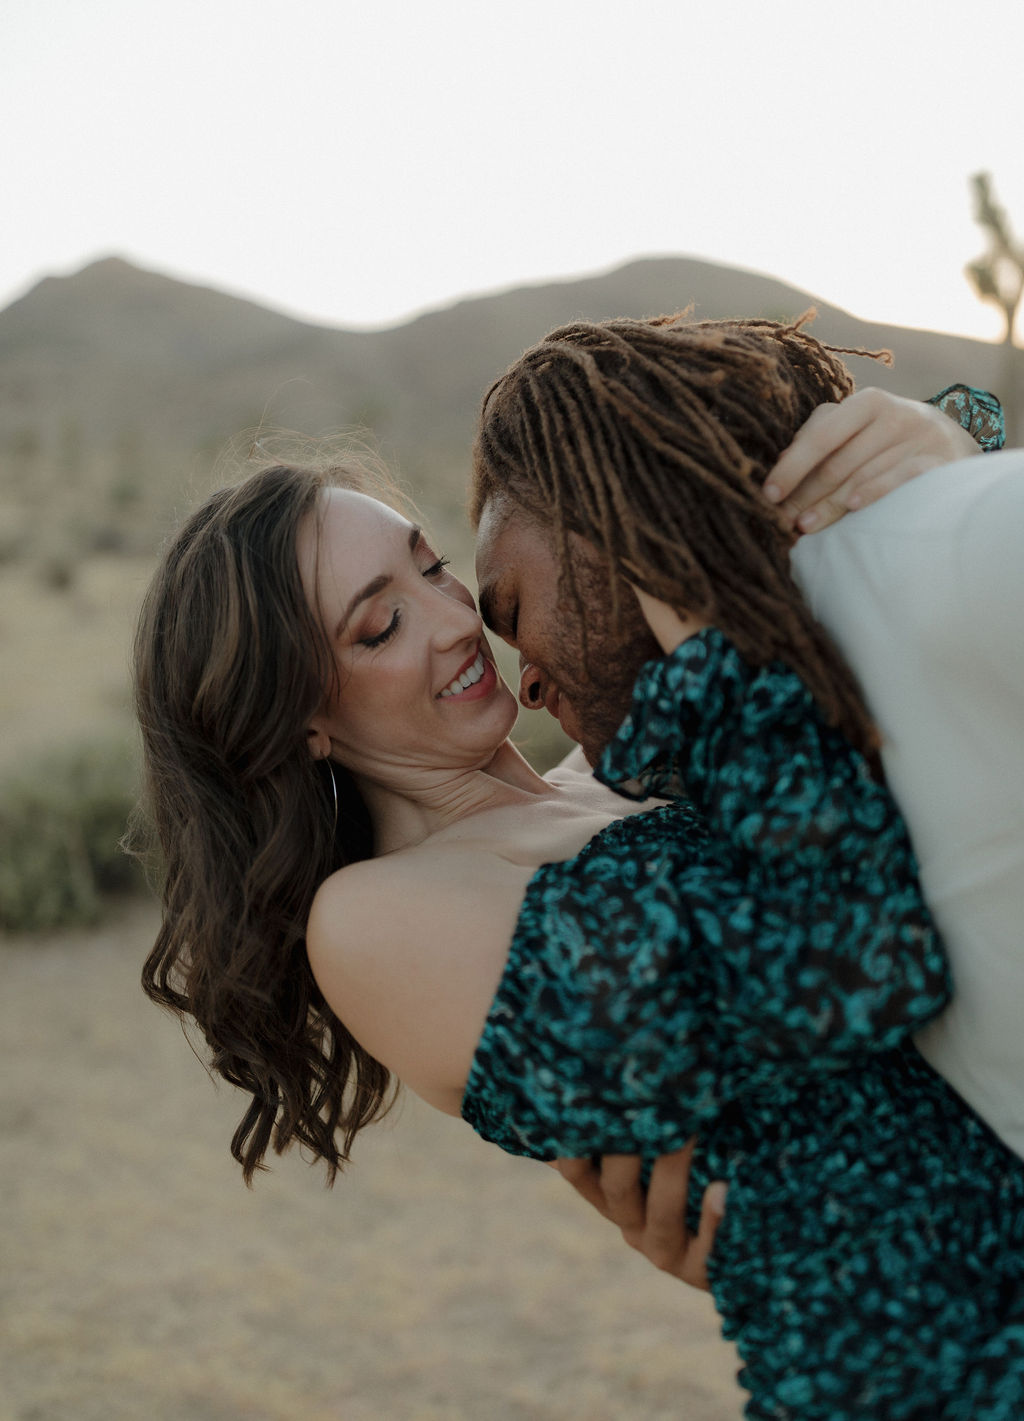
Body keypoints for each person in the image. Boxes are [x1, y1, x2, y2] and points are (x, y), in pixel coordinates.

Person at [133, 325, 1024, 1415]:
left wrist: (919, 447)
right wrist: (711, 649)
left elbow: (823, 621)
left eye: (430, 566)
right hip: (920, 1368)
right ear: (302, 720)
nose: (459, 622)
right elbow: (851, 965)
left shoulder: (614, 766)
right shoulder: (372, 922)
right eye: (380, 626)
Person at [469, 314, 1024, 1288]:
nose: (529, 690)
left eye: (511, 613)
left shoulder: (950, 550)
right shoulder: (740, 750)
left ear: (615, 516)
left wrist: (960, 458)